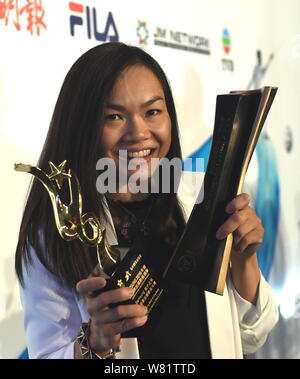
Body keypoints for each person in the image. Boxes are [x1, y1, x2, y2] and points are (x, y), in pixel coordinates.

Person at [15, 42, 278, 359]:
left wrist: (243, 259)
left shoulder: (198, 199)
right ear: (82, 127)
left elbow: (252, 336)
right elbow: (46, 353)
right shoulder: (57, 233)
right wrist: (95, 344)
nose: (138, 133)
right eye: (114, 117)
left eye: (152, 111)